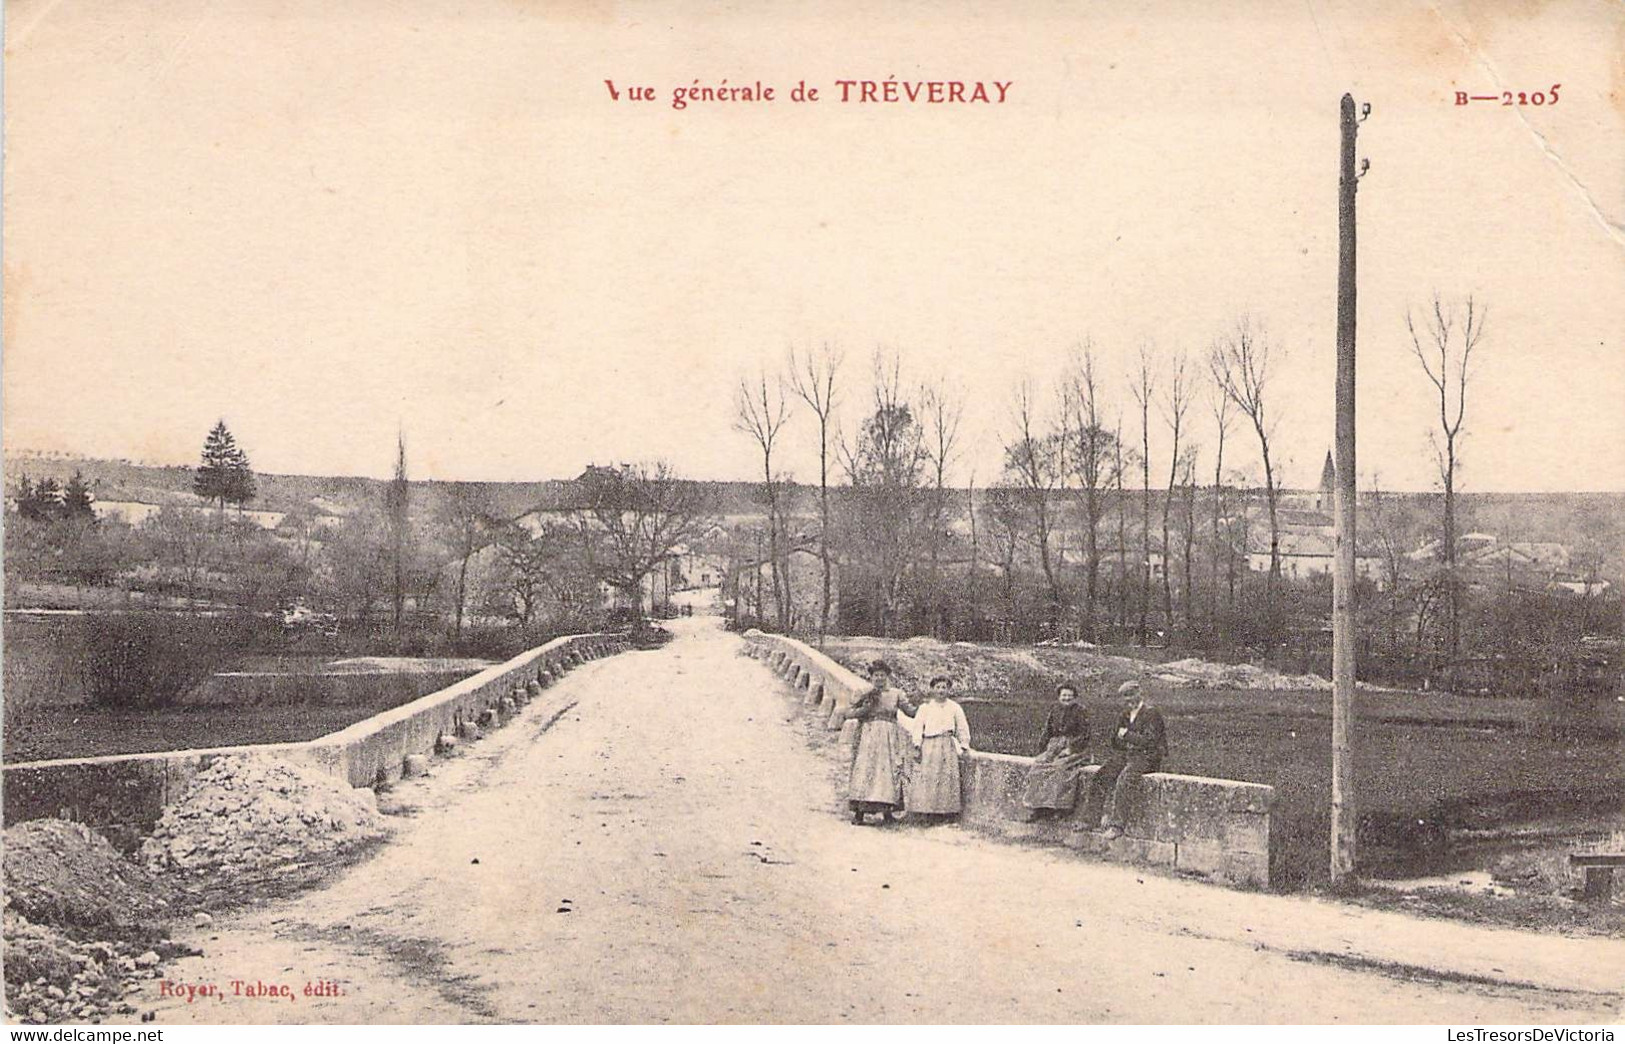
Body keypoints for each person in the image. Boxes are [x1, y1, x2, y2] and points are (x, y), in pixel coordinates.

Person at [1082, 680, 1167, 839]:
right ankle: (1090, 819)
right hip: (1128, 754)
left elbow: (1150, 742)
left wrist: (1127, 735)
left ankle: (1117, 826)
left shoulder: (1151, 713)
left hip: (1147, 757)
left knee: (1125, 780)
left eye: (1131, 695)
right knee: (1101, 775)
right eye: (1125, 697)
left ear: (1139, 694)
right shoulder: (1125, 715)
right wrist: (1122, 738)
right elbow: (1115, 740)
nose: (1128, 700)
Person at [843, 660, 917, 825]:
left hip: (889, 736)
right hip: (868, 735)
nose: (879, 679)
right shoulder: (863, 692)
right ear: (871, 677)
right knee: (866, 769)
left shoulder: (896, 693)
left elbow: (910, 711)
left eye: (882, 676)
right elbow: (848, 713)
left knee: (888, 771)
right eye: (876, 675)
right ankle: (860, 813)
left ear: (887, 676)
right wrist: (864, 709)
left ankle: (887, 812)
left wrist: (928, 709)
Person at [905, 675, 972, 820]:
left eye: (944, 687)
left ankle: (946, 812)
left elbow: (962, 727)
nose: (941, 690)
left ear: (948, 690)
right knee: (928, 778)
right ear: (932, 689)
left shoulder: (954, 707)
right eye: (938, 687)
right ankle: (926, 812)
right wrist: (917, 745)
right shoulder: (925, 708)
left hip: (947, 745)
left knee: (946, 778)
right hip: (929, 745)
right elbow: (917, 728)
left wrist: (964, 745)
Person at [1020, 681, 1090, 817]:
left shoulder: (1081, 711)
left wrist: (1070, 748)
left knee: (1060, 767)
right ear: (1059, 696)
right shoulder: (1055, 710)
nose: (1066, 698)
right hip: (1055, 746)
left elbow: (1085, 734)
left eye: (1070, 696)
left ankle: (1060, 807)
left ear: (1074, 697)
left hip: (1076, 749)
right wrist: (1042, 750)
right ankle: (1038, 806)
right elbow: (1047, 731)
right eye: (1064, 695)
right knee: (1039, 765)